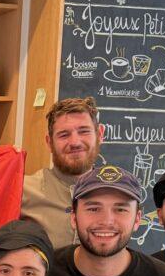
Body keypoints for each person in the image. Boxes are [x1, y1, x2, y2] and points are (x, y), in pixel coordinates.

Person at [21, 97, 103, 249]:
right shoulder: (22, 191)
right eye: (64, 135)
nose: (75, 142)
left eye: (84, 131)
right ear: (49, 142)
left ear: (100, 135)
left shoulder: (115, 194)